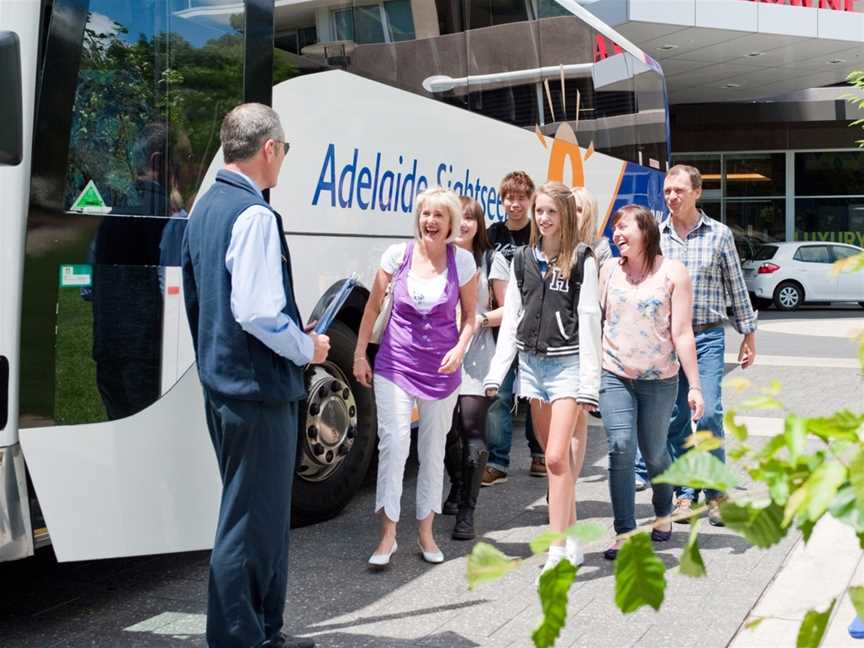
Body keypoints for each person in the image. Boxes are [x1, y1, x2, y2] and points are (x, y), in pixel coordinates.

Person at [181, 103, 327, 648]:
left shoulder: (204, 210)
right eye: (284, 150)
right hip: (258, 390)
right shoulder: (254, 215)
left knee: (254, 517)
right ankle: (242, 637)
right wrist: (306, 346)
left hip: (226, 386)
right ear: (269, 149)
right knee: (249, 523)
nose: (284, 159)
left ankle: (264, 630)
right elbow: (259, 312)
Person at [353, 187, 477, 567]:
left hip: (441, 371)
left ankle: (426, 532)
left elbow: (471, 317)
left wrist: (460, 349)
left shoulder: (464, 264)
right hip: (396, 364)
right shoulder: (398, 256)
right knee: (393, 444)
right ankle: (387, 536)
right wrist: (360, 353)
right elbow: (373, 306)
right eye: (425, 214)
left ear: (451, 224)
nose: (430, 221)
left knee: (433, 450)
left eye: (439, 215)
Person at [484, 181, 601, 574]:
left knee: (553, 456)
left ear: (565, 215)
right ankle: (569, 539)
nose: (544, 218)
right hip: (532, 368)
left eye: (551, 211)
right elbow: (514, 318)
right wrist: (497, 373)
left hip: (567, 366)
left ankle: (555, 552)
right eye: (540, 211)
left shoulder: (582, 259)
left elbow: (589, 322)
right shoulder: (521, 259)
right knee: (558, 461)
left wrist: (590, 385)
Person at [598, 204, 705, 559]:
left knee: (655, 452)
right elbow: (595, 321)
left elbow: (683, 331)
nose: (617, 234)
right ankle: (625, 531)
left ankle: (662, 511)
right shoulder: (609, 270)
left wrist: (695, 386)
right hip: (615, 373)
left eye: (624, 227)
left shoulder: (673, 272)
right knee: (620, 446)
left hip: (660, 380)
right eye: (615, 228)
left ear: (646, 231)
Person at [661, 164, 757, 526]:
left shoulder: (718, 235)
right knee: (676, 417)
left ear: (697, 192)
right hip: (668, 341)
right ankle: (685, 494)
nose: (672, 197)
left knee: (711, 412)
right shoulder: (658, 235)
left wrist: (748, 334)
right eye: (668, 190)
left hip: (707, 336)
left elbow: (735, 285)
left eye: (679, 190)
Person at [572, 186, 651, 491]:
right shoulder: (554, 246)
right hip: (566, 339)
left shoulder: (600, 250)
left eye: (580, 209)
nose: (574, 215)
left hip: (598, 339)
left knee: (620, 419)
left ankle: (640, 469)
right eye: (572, 208)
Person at [442, 197, 502, 540]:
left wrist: (477, 319)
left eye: (471, 218)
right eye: (459, 217)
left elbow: (508, 310)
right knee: (446, 433)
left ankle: (467, 511)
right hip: (442, 356)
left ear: (479, 224)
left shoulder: (492, 261)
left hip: (478, 355)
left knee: (470, 429)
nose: (464, 224)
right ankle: (459, 484)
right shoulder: (438, 258)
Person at [483, 171, 545, 486]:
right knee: (499, 395)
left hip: (535, 328)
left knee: (536, 394)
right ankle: (497, 462)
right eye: (509, 198)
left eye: (521, 198)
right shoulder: (492, 235)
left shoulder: (540, 234)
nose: (515, 204)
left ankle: (540, 455)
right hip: (502, 329)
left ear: (530, 199)